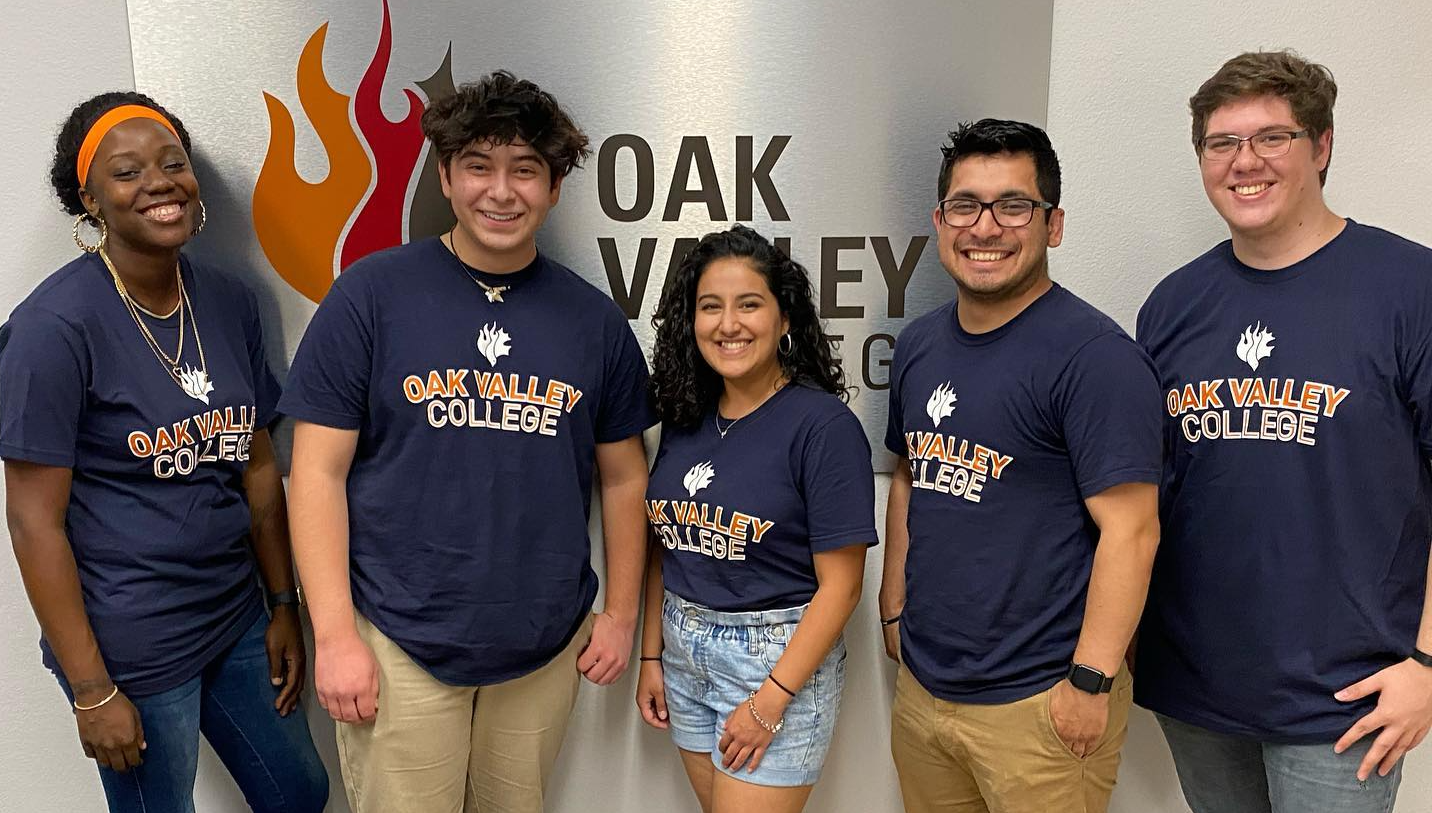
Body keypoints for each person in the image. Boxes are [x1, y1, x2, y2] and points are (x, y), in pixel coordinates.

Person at [279, 70, 655, 813]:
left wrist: (618, 614)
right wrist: (336, 634)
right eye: (479, 166)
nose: (501, 191)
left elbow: (624, 476)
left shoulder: (594, 322)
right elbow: (315, 472)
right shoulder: (370, 296)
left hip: (542, 643)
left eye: (526, 170)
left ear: (554, 187)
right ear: (446, 178)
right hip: (398, 637)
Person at [0, 91, 328, 812]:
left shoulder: (231, 302)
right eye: (127, 172)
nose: (158, 182)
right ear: (90, 200)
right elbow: (32, 523)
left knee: (299, 793)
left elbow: (257, 464)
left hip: (234, 613)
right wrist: (92, 690)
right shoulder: (52, 328)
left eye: (172, 163)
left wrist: (282, 602)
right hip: (133, 644)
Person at [1134, 49, 1432, 813]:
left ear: (1321, 145)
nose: (1245, 162)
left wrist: (1428, 663)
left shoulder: (1410, 289)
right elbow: (1152, 492)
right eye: (1222, 143)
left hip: (1346, 699)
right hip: (1196, 686)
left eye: (1272, 137)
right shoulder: (1173, 306)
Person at [878, 119, 1163, 813]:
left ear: (1052, 225)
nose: (985, 227)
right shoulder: (918, 346)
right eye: (965, 206)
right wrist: (892, 608)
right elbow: (911, 474)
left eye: (1013, 206)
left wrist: (1089, 682)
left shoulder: (1095, 358)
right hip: (926, 691)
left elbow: (1132, 530)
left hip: (1040, 702)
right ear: (940, 222)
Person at [635, 224, 876, 813]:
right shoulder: (686, 418)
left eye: (749, 304)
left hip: (773, 661)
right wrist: (652, 655)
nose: (728, 324)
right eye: (710, 307)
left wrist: (769, 702)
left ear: (784, 318)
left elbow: (842, 587)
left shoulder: (823, 427)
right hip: (682, 652)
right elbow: (667, 545)